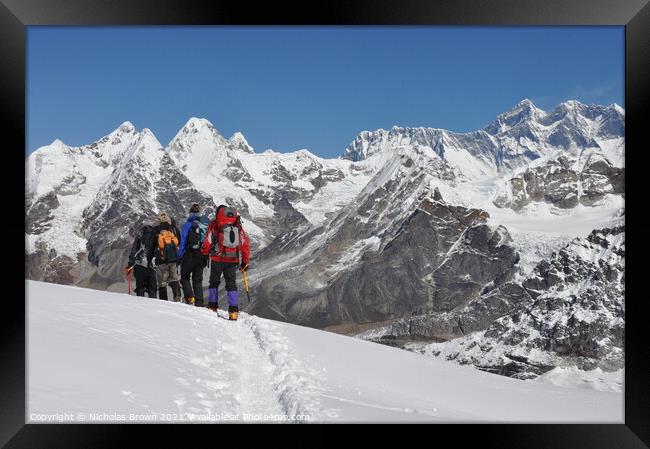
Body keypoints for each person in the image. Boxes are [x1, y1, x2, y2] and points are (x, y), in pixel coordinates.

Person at [201, 204, 250, 320]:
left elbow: (208, 239)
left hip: (217, 258)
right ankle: (233, 311)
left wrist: (204, 251)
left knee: (214, 282)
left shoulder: (215, 223)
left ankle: (213, 307)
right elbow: (244, 242)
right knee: (231, 283)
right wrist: (245, 260)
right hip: (233, 258)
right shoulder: (236, 223)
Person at [177, 203, 210, 306]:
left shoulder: (187, 225)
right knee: (198, 280)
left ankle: (190, 298)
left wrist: (179, 256)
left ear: (190, 213)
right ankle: (200, 303)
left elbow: (183, 241)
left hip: (190, 255)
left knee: (184, 277)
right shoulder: (204, 225)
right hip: (202, 256)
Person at [152, 211, 182, 301]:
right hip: (173, 258)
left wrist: (151, 258)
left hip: (160, 259)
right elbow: (179, 241)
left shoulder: (156, 230)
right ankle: (177, 297)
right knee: (174, 278)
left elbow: (152, 244)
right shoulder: (173, 229)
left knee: (162, 282)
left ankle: (164, 301)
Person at [125, 224, 157, 298]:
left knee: (140, 287)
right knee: (152, 289)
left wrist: (130, 263)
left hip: (140, 265)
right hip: (152, 266)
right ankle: (154, 306)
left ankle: (141, 306)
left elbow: (134, 251)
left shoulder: (140, 236)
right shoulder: (155, 236)